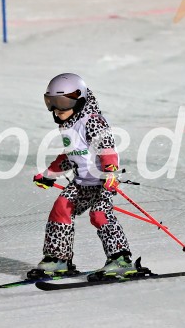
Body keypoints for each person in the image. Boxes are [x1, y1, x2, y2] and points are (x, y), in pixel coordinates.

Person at [30, 73, 141, 281]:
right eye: (52, 102)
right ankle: (58, 259)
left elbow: (106, 147)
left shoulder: (92, 121)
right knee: (61, 208)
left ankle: (121, 259)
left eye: (63, 103)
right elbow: (70, 156)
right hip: (82, 183)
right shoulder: (67, 125)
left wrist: (111, 171)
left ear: (79, 100)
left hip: (102, 181)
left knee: (100, 214)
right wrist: (49, 175)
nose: (57, 109)